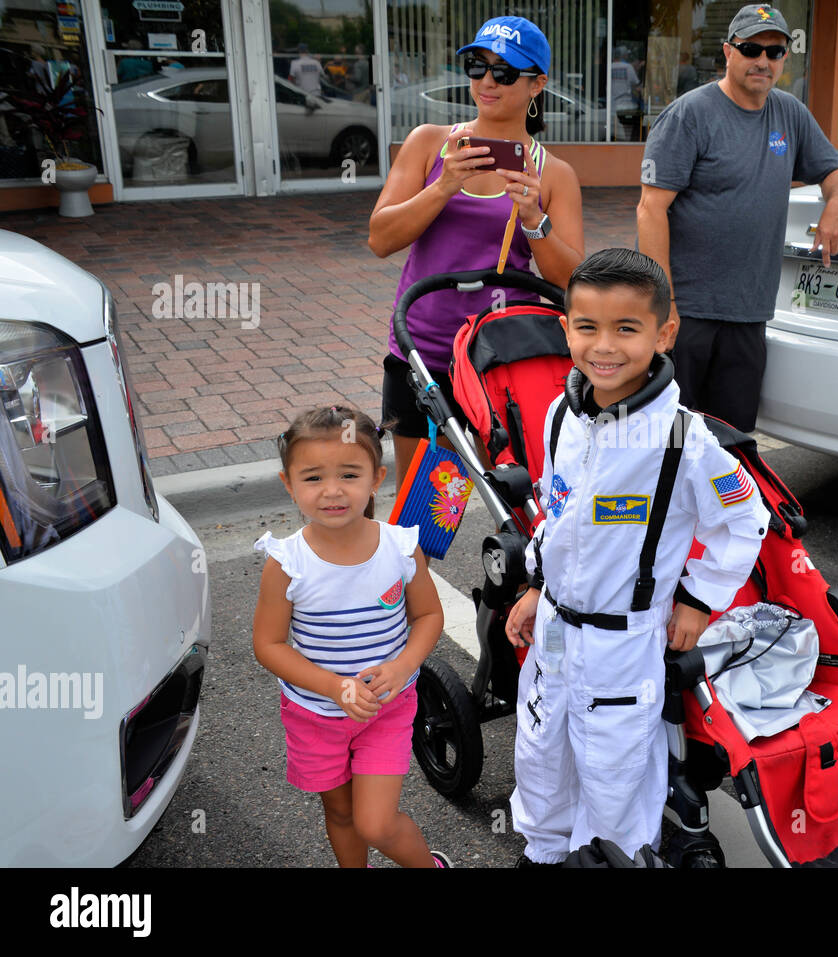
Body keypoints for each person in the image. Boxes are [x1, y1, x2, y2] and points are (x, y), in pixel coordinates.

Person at [503, 248, 769, 865]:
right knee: (541, 754)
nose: (605, 346)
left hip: (624, 643)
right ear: (564, 328)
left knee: (614, 773)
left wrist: (699, 602)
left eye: (627, 329)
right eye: (587, 327)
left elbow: (744, 522)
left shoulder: (682, 438)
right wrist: (538, 587)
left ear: (663, 332)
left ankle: (615, 857)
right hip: (555, 631)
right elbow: (556, 517)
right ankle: (543, 853)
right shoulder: (558, 416)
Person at [369, 15, 583, 494]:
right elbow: (380, 238)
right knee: (427, 502)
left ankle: (521, 570)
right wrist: (444, 185)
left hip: (499, 357)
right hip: (422, 352)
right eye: (477, 65)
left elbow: (569, 280)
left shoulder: (554, 173)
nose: (487, 81)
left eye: (505, 72)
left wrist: (534, 220)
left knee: (516, 495)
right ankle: (418, 568)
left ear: (537, 85)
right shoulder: (430, 142)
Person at [637, 3, 838, 433]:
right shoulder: (690, 115)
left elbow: (837, 173)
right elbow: (650, 209)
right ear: (728, 52)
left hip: (750, 314)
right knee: (673, 437)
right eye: (752, 48)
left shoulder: (789, 114)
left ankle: (722, 504)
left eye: (774, 52)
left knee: (733, 438)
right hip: (688, 315)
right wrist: (665, 305)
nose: (763, 60)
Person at [251, 406, 449, 868]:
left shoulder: (400, 547)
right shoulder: (286, 563)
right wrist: (335, 687)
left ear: (376, 477)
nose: (333, 491)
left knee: (375, 823)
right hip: (314, 713)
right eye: (313, 477)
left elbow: (428, 616)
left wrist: (402, 668)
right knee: (340, 813)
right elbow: (269, 645)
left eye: (349, 474)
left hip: (386, 708)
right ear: (288, 484)